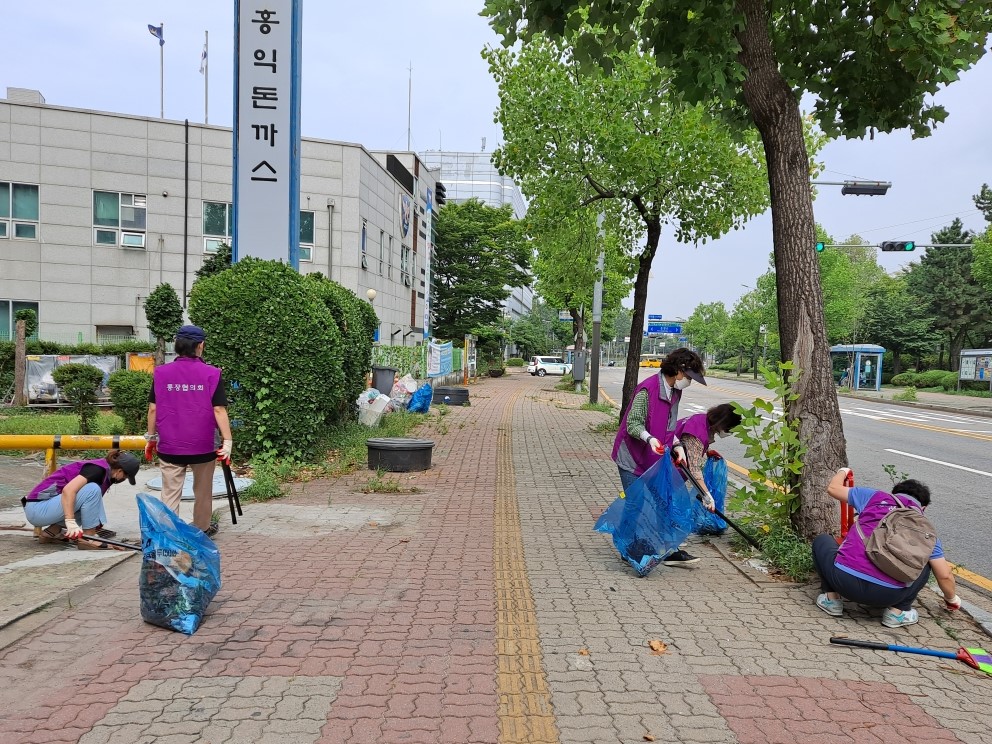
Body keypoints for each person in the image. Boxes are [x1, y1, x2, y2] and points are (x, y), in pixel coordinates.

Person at [812, 469, 960, 628]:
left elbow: (833, 489)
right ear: (923, 508)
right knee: (928, 562)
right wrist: (952, 600)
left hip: (844, 582)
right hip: (888, 596)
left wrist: (843, 471)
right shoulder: (926, 531)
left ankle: (832, 599)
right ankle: (897, 612)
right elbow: (944, 575)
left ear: (894, 494)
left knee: (822, 540)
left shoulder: (874, 497)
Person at [612, 347, 706, 565]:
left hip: (656, 458)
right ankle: (627, 547)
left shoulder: (675, 392)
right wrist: (650, 439)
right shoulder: (648, 389)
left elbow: (669, 426)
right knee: (635, 503)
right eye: (689, 377)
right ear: (679, 371)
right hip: (632, 456)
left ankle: (669, 549)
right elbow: (632, 423)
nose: (689, 382)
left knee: (664, 500)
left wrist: (677, 444)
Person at [145, 324, 233, 537]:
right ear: (200, 345)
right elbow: (219, 409)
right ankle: (202, 529)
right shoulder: (212, 373)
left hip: (170, 445)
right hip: (203, 445)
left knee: (170, 491)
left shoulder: (161, 373)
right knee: (203, 491)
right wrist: (228, 441)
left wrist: (151, 438)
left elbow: (153, 408)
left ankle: (169, 533)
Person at [22, 449, 140, 550]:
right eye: (125, 476)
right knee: (92, 490)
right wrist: (70, 521)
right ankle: (89, 539)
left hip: (43, 508)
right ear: (119, 471)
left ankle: (50, 533)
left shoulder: (104, 472)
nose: (123, 479)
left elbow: (90, 509)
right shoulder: (97, 470)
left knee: (89, 499)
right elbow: (68, 491)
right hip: (37, 509)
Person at [672, 403, 741, 512]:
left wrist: (706, 451)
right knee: (660, 503)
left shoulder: (701, 419)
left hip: (670, 467)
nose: (729, 432)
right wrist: (706, 495)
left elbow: (690, 446)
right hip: (665, 469)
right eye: (729, 429)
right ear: (722, 423)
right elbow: (694, 470)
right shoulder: (696, 433)